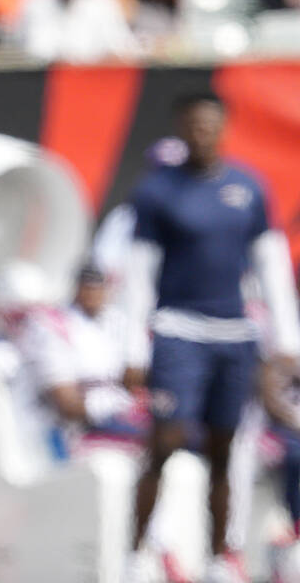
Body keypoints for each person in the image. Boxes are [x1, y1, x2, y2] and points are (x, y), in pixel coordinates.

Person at [122, 93, 300, 583]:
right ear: (181, 129)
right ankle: (137, 555)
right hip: (178, 330)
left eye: (210, 125)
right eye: (193, 126)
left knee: (225, 448)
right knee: (166, 440)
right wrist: (133, 349)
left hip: (234, 334)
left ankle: (222, 557)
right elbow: (138, 273)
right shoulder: (159, 192)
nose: (202, 134)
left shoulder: (247, 187)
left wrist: (286, 339)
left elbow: (271, 264)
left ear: (223, 128)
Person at [18, 261, 145, 443]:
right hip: (73, 430)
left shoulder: (118, 322)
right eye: (87, 286)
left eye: (98, 286)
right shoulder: (53, 324)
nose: (93, 292)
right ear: (77, 287)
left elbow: (136, 379)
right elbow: (66, 403)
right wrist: (114, 410)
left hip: (120, 418)